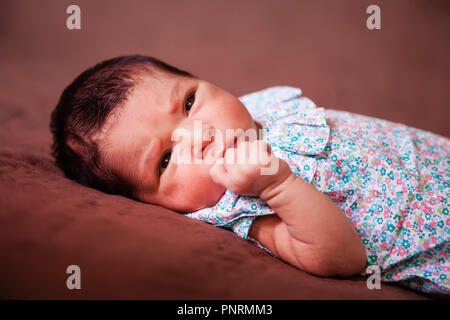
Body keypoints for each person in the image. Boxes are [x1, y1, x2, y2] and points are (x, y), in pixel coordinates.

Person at [50, 55, 449, 295]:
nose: (199, 135)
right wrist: (278, 185)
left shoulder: (254, 108)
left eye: (189, 102)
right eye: (166, 159)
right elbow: (339, 258)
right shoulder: (242, 207)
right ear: (153, 203)